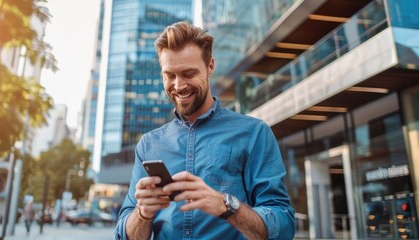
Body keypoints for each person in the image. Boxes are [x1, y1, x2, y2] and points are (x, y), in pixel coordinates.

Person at [114, 21, 295, 240]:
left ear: (210, 66)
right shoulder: (148, 144)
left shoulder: (254, 133)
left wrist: (225, 205)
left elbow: (283, 225)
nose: (179, 85)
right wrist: (143, 214)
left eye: (189, 73)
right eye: (169, 75)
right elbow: (124, 235)